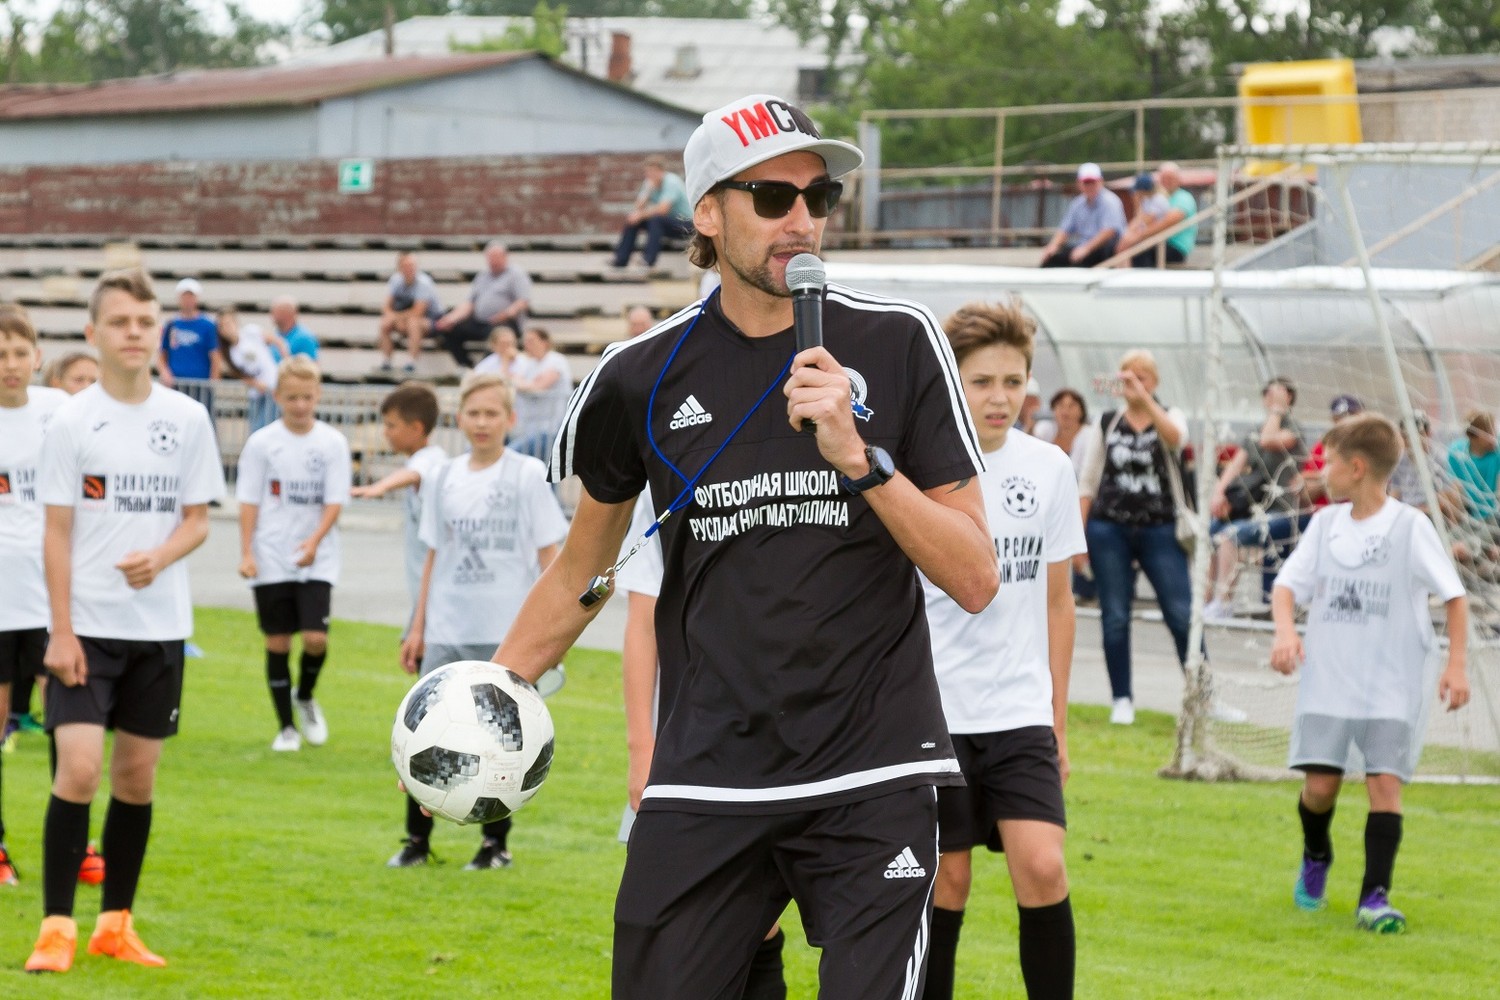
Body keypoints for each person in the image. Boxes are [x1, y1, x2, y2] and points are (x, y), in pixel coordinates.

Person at [492, 92, 997, 999]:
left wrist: (863, 459)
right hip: (710, 774)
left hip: (873, 766)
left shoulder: (900, 340)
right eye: (772, 198)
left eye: (819, 197)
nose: (802, 220)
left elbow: (974, 572)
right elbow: (583, 571)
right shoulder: (639, 376)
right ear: (709, 214)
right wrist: (493, 699)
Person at [28, 267, 223, 973]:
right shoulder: (71, 421)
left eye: (145, 321)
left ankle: (115, 922)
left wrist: (162, 555)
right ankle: (56, 927)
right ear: (93, 334)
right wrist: (59, 629)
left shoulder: (187, 418)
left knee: (135, 781)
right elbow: (55, 532)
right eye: (120, 322)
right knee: (78, 770)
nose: (135, 332)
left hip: (160, 630)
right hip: (84, 627)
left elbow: (199, 521)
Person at [921, 302, 1082, 1000]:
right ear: (953, 381)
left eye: (1014, 382)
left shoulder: (1049, 467)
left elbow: (1057, 602)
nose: (1001, 397)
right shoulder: (921, 467)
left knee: (1043, 866)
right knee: (946, 882)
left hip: (1018, 714)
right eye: (983, 381)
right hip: (935, 713)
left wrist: (1058, 721)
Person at [1270, 412, 1468, 933]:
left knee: (1384, 785)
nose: (1322, 470)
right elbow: (1287, 586)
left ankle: (1374, 899)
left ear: (1356, 467)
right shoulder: (1324, 525)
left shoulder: (1411, 528)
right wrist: (1286, 632)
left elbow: (1455, 596)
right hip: (1330, 682)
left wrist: (1456, 665)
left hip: (1390, 688)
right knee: (1320, 789)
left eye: (1329, 460)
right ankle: (1316, 856)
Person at [396, 374, 568, 870]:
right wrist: (417, 626)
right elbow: (432, 556)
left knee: (501, 746)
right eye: (473, 413)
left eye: (493, 413)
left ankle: (495, 845)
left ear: (510, 420)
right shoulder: (444, 478)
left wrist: (554, 631)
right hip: (448, 628)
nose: (482, 422)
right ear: (458, 418)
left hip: (506, 632)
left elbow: (549, 557)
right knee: (424, 735)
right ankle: (416, 842)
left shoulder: (528, 474)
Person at [235, 357, 351, 751]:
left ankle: (305, 696)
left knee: (316, 638)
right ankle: (285, 728)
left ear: (317, 395)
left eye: (307, 397)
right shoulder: (262, 443)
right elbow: (248, 501)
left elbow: (335, 501)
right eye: (292, 397)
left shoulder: (332, 442)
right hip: (271, 555)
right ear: (278, 397)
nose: (300, 405)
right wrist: (247, 552)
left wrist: (315, 541)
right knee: (278, 642)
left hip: (317, 557)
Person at [1078, 349, 1193, 725]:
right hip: (1109, 528)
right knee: (1114, 615)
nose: (1133, 383)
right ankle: (1122, 699)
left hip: (1159, 528)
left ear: (1154, 382)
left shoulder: (1169, 415)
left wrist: (1146, 401)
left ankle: (1200, 695)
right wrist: (1079, 538)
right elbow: (1088, 481)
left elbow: (1176, 439)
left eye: (1141, 377)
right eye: (1127, 375)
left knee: (1181, 614)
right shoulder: (1107, 421)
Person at [0, 305, 69, 888]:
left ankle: (70, 846)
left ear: (37, 356)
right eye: (0, 355)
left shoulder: (61, 414)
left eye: (20, 353)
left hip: (53, 604)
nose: (11, 365)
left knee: (65, 728)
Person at [1204, 377, 1309, 620]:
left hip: (1282, 512)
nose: (1269, 399)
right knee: (1211, 531)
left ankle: (1224, 602)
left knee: (1230, 536)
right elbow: (1236, 464)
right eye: (1267, 394)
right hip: (1254, 509)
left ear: (1288, 398)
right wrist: (1219, 492)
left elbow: (1268, 440)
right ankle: (1207, 600)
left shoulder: (1294, 429)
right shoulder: (1255, 429)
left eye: (1275, 394)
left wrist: (1278, 410)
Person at [349, 383, 447, 611]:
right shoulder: (422, 458)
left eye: (391, 426)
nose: (385, 432)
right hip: (425, 592)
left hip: (437, 593)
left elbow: (414, 474)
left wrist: (381, 486)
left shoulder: (433, 459)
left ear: (416, 428)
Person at [434, 241, 532, 370]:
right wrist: (451, 318)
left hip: (506, 322)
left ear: (505, 257)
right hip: (481, 321)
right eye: (490, 258)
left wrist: (506, 314)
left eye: (496, 258)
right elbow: (470, 303)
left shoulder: (516, 274)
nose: (493, 261)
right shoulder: (483, 275)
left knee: (497, 336)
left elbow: (523, 301)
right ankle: (466, 366)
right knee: (450, 330)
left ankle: (485, 370)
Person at [1051, 387, 1101, 602]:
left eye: (1072, 406)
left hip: (1081, 498)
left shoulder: (1087, 435)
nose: (1066, 411)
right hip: (1053, 501)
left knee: (1081, 538)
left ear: (1081, 411)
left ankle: (1086, 586)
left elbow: (1084, 477)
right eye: (1061, 405)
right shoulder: (1045, 431)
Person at [1040, 162, 1127, 269]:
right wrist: (1053, 246)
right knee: (1052, 260)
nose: (1090, 186)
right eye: (1086, 182)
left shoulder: (1110, 201)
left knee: (1083, 260)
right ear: (1079, 183)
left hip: (1104, 248)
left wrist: (1086, 249)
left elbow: (1109, 231)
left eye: (1092, 182)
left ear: (1100, 181)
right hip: (1085, 247)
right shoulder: (1077, 204)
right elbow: (1065, 229)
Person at [613, 155, 694, 268]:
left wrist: (640, 215)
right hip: (667, 223)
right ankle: (621, 259)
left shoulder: (671, 182)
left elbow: (663, 210)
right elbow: (638, 207)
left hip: (686, 224)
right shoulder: (649, 184)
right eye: (647, 173)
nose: (649, 175)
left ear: (661, 171)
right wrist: (647, 191)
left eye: (652, 172)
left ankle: (648, 259)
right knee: (633, 219)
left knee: (656, 220)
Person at [509, 327, 573, 462]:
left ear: (544, 342)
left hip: (550, 428)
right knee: (540, 469)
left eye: (531, 340)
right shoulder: (529, 363)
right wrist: (526, 384)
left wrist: (525, 384)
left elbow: (538, 386)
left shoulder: (556, 360)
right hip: (528, 428)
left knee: (511, 455)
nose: (527, 344)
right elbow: (514, 380)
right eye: (525, 341)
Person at [155, 278, 221, 408]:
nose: (188, 300)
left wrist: (213, 382)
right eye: (184, 296)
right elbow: (162, 353)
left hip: (201, 387)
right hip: (176, 385)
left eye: (191, 296)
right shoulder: (171, 324)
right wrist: (165, 372)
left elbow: (215, 356)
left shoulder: (208, 325)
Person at [377, 251, 444, 374]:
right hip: (405, 318)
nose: (410, 269)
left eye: (412, 265)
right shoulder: (395, 280)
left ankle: (411, 362)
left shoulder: (424, 283)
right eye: (406, 266)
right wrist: (393, 318)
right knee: (385, 323)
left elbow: (418, 312)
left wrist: (395, 317)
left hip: (433, 320)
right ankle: (386, 361)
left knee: (413, 323)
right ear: (399, 267)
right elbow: (386, 306)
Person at [219, 309, 282, 435]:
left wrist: (285, 359)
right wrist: (256, 384)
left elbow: (276, 341)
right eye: (223, 326)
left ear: (236, 323)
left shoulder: (250, 332)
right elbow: (241, 375)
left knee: (270, 425)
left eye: (229, 323)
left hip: (273, 386)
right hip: (257, 392)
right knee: (256, 428)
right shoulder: (229, 352)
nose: (227, 328)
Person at [1121, 163, 1197, 267]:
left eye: (1170, 178)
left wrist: (1137, 236)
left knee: (1140, 250)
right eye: (1164, 178)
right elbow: (1142, 218)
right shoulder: (1156, 198)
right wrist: (1128, 235)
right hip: (1157, 242)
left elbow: (1166, 223)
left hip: (1175, 246)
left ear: (1178, 179)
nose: (1167, 181)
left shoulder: (1183, 198)